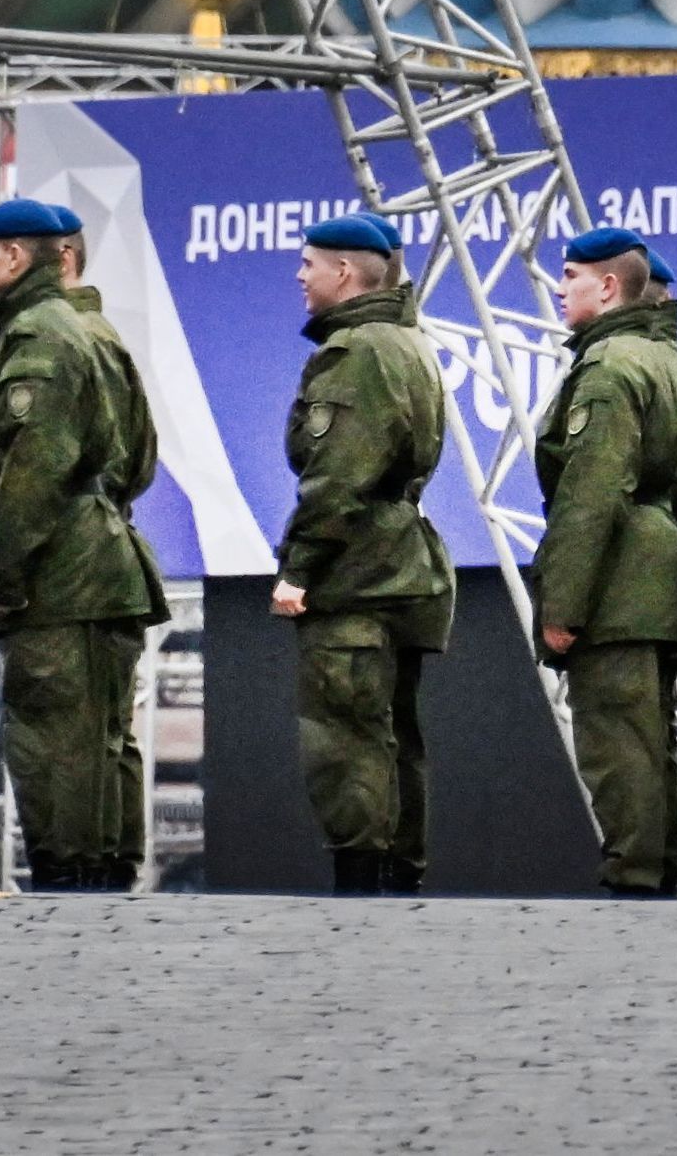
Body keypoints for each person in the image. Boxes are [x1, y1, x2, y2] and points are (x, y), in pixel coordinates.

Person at [0, 198, 161, 890]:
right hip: (102, 557)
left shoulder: (39, 337)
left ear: (17, 256)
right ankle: (102, 882)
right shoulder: (89, 330)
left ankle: (71, 893)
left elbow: (32, 472)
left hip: (62, 571)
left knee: (55, 739)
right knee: (99, 737)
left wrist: (7, 576)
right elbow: (139, 458)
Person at [530, 224, 677, 896]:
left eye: (572, 276)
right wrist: (659, 534)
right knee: (651, 743)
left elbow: (588, 494)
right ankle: (660, 879)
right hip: (659, 567)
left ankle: (636, 886)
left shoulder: (609, 366)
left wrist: (563, 608)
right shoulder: (670, 359)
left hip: (614, 583)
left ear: (608, 285)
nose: (560, 287)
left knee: (618, 749)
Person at [272, 214, 450, 893]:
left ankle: (362, 892)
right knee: (392, 735)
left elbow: (336, 474)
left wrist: (299, 567)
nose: (299, 274)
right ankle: (397, 884)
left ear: (343, 272)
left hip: (356, 573)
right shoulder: (407, 341)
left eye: (308, 262)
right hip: (399, 565)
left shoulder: (353, 350)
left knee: (344, 738)